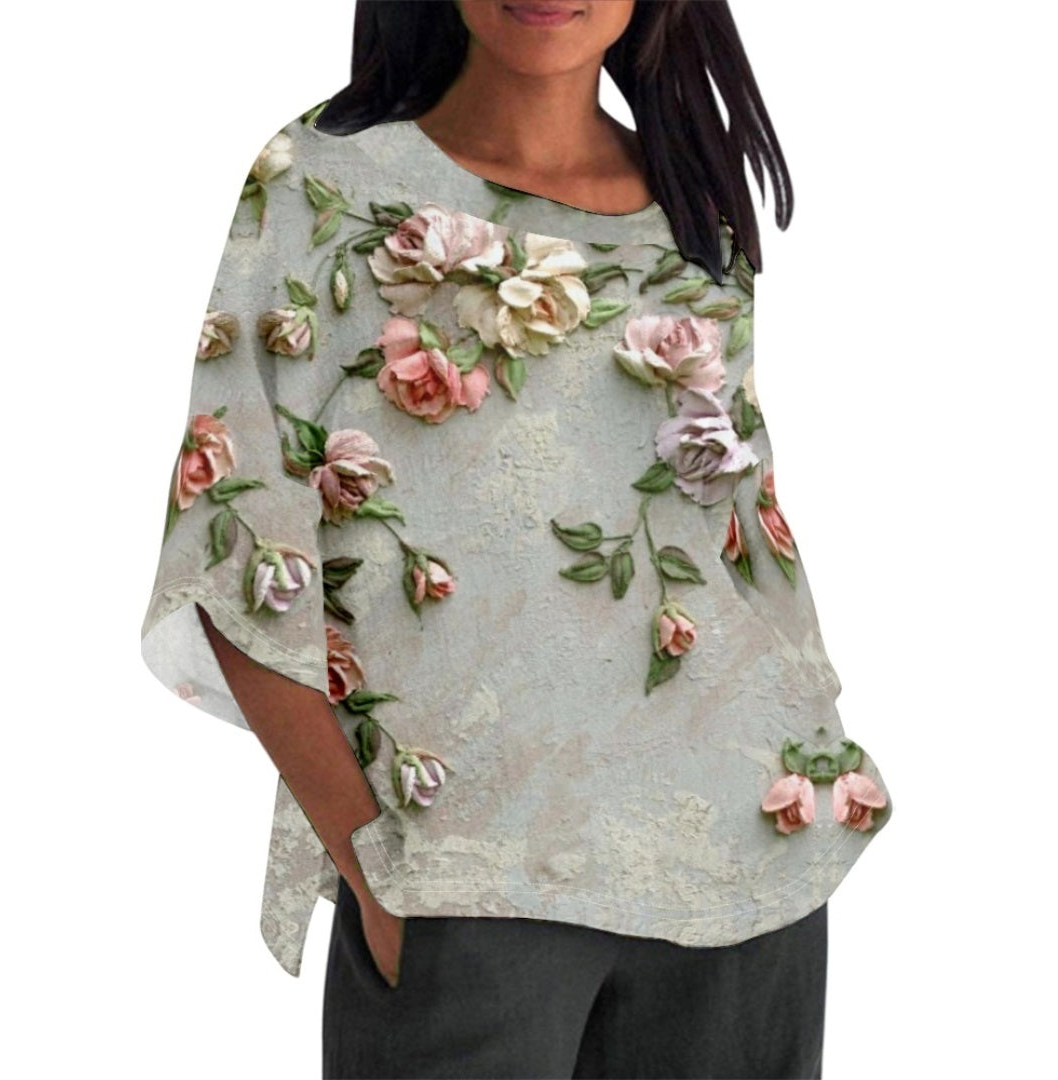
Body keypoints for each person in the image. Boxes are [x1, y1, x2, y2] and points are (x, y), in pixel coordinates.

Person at [139, 1, 894, 1076]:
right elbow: (233, 554)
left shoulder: (696, 209)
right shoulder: (324, 187)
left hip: (744, 865)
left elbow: (738, 528)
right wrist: (373, 868)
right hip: (462, 879)